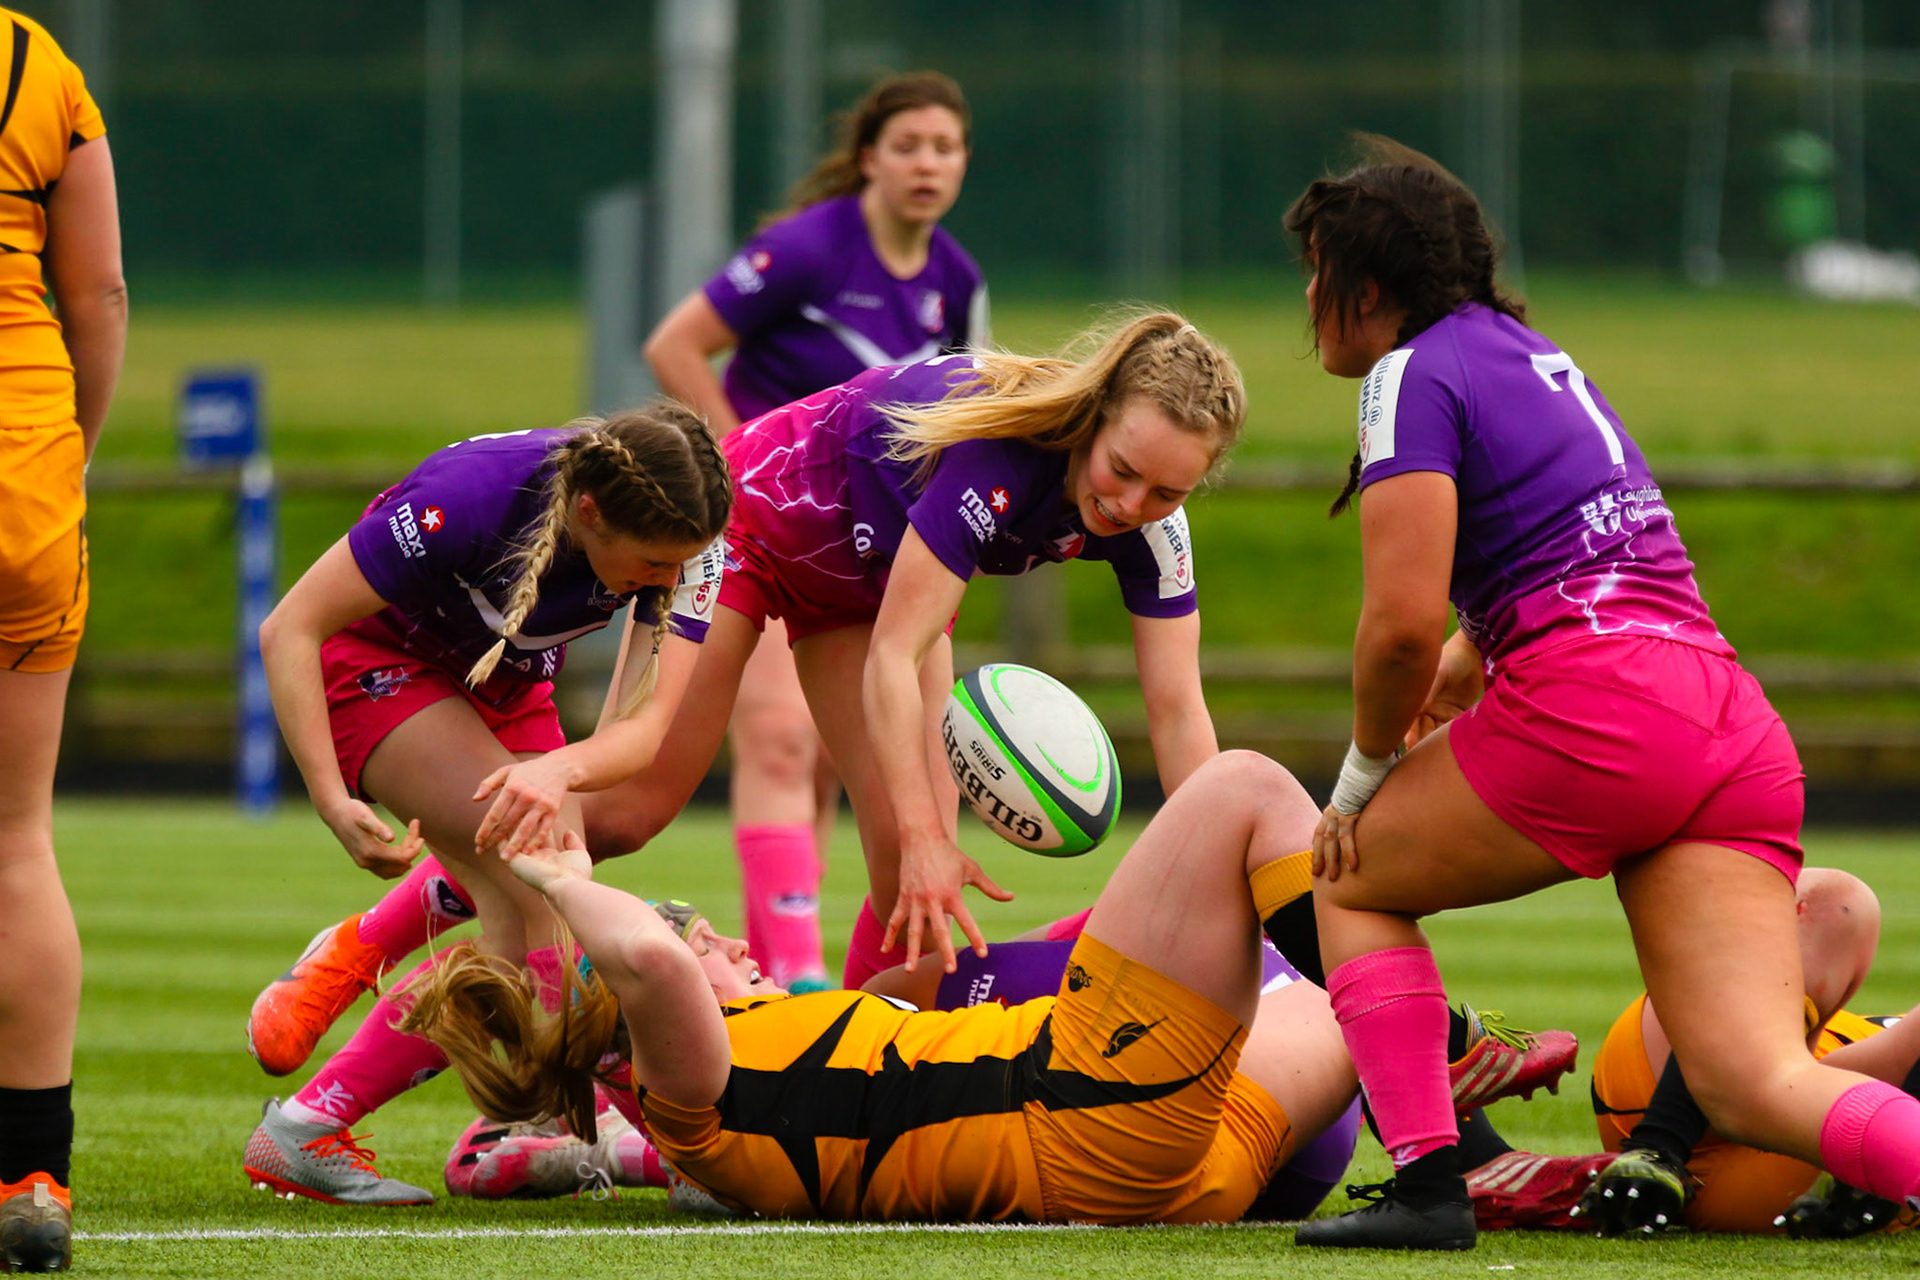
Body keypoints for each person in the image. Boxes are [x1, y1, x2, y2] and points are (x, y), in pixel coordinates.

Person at [1281, 135, 1920, 1251]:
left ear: (1366, 287)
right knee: (1751, 1081)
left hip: (1602, 712)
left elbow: (1391, 627)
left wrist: (1362, 776)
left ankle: (1429, 1186)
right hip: (1728, 723)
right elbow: (1581, 550)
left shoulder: (1408, 372)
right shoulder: (1528, 351)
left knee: (1348, 875)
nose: (1306, 298)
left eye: (1316, 273)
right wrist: (1465, 663)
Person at [403, 750, 1360, 1223]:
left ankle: (1464, 1134)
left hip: (1186, 1177)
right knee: (1244, 788)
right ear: (636, 1024)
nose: (728, 938)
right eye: (698, 937)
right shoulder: (690, 1092)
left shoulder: (746, 1083)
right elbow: (649, 964)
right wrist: (565, 881)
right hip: (1093, 1114)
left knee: (1363, 1013)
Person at [595, 311, 1242, 988]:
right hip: (749, 528)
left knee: (914, 892)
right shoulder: (1001, 451)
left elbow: (1177, 709)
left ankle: (838, 1077)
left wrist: (1229, 863)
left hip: (865, 584)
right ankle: (510, 956)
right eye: (1123, 470)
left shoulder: (1157, 530)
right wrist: (924, 835)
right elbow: (896, 657)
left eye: (1167, 493)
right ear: (1094, 418)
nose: (1132, 504)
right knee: (627, 811)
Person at [239, 407, 731, 1205]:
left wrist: (560, 771)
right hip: (374, 661)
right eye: (650, 563)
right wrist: (331, 799)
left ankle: (319, 1127)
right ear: (589, 513)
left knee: (549, 904)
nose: (668, 581)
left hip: (503, 681)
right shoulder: (472, 497)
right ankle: (683, 1148)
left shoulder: (692, 547)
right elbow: (289, 626)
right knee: (543, 883)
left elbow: (639, 733)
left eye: (681, 565)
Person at [645, 71, 985, 991]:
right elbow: (675, 344)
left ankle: (823, 997)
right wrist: (725, 465)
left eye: (944, 148)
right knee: (780, 742)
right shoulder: (805, 250)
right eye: (908, 146)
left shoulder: (957, 281)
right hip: (762, 522)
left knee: (861, 774)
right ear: (869, 159)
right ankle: (793, 977)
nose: (927, 164)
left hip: (873, 554)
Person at [0, 9, 126, 1271]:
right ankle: (32, 1165)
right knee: (14, 839)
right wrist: (67, 457)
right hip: (20, 479)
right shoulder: (40, 64)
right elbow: (94, 288)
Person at [1579, 866, 1920, 1238]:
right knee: (1834, 906)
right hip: (1734, 1073)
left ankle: (1657, 1147)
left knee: (1837, 902)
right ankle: (1659, 1146)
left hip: (1803, 1152)